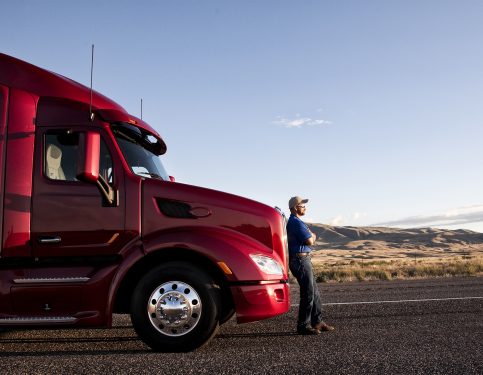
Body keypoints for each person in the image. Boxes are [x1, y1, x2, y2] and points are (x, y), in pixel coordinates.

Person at [286, 196, 335, 335]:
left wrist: (311, 235)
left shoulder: (297, 222)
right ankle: (303, 325)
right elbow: (310, 240)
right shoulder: (295, 223)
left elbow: (310, 237)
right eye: (302, 205)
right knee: (308, 293)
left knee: (314, 292)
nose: (305, 207)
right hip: (300, 260)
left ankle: (317, 322)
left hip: (303, 259)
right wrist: (312, 235)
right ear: (295, 207)